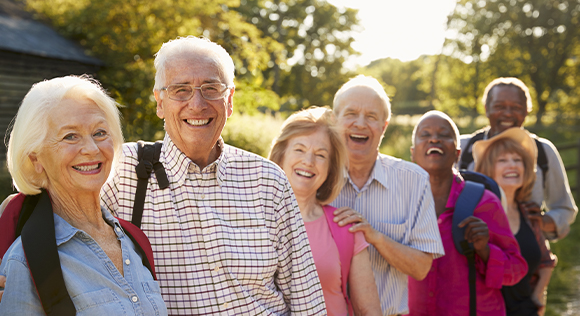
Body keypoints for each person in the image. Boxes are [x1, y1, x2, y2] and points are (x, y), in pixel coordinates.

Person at [99, 36, 326, 315]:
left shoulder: (269, 181)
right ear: (160, 102)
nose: (197, 104)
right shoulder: (119, 173)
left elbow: (307, 300)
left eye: (211, 88)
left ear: (229, 101)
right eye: (180, 90)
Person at [0, 76, 167, 315]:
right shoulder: (25, 262)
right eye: (70, 136)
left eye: (100, 132)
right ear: (35, 158)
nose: (91, 148)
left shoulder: (134, 242)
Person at [329, 75, 445, 315]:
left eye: (371, 117)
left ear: (384, 126)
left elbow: (422, 267)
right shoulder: (313, 177)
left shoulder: (413, 180)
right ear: (334, 120)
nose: (360, 124)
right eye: (351, 113)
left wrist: (375, 237)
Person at [406, 110, 527, 315]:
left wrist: (484, 250)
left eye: (444, 135)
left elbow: (516, 269)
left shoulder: (484, 202)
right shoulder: (400, 202)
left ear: (458, 152)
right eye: (425, 135)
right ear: (413, 152)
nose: (434, 139)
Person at [269, 106, 382, 316]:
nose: (308, 162)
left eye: (320, 155)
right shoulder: (249, 218)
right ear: (281, 155)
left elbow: (368, 311)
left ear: (330, 168)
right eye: (300, 150)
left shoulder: (345, 227)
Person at [458, 77, 577, 241]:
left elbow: (565, 208)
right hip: (471, 253)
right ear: (486, 109)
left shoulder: (543, 151)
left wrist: (541, 223)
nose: (507, 113)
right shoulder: (462, 148)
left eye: (516, 107)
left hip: (527, 256)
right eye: (499, 107)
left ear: (526, 111)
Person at [473, 127, 557, 316]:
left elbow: (546, 261)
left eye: (517, 160)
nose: (512, 165)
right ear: (488, 169)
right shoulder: (475, 213)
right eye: (502, 160)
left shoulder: (528, 212)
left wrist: (538, 295)